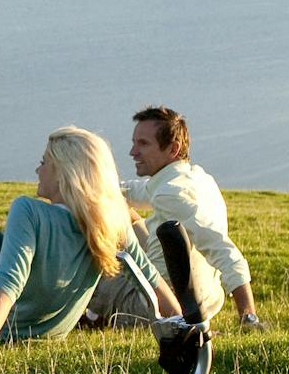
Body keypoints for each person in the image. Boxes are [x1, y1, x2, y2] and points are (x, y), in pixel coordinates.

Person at [0, 126, 181, 349]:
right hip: (52, 331)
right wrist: (186, 325)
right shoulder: (110, 220)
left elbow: (9, 282)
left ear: (63, 174)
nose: (38, 170)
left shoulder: (28, 211)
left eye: (44, 163)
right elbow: (151, 281)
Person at [88, 105, 262, 329]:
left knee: (92, 260)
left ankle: (87, 317)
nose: (132, 152)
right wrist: (91, 190)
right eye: (134, 142)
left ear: (173, 148)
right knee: (122, 211)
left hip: (161, 307)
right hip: (205, 300)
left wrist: (248, 315)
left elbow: (221, 248)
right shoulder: (196, 177)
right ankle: (94, 316)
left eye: (143, 144)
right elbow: (132, 193)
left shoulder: (171, 193)